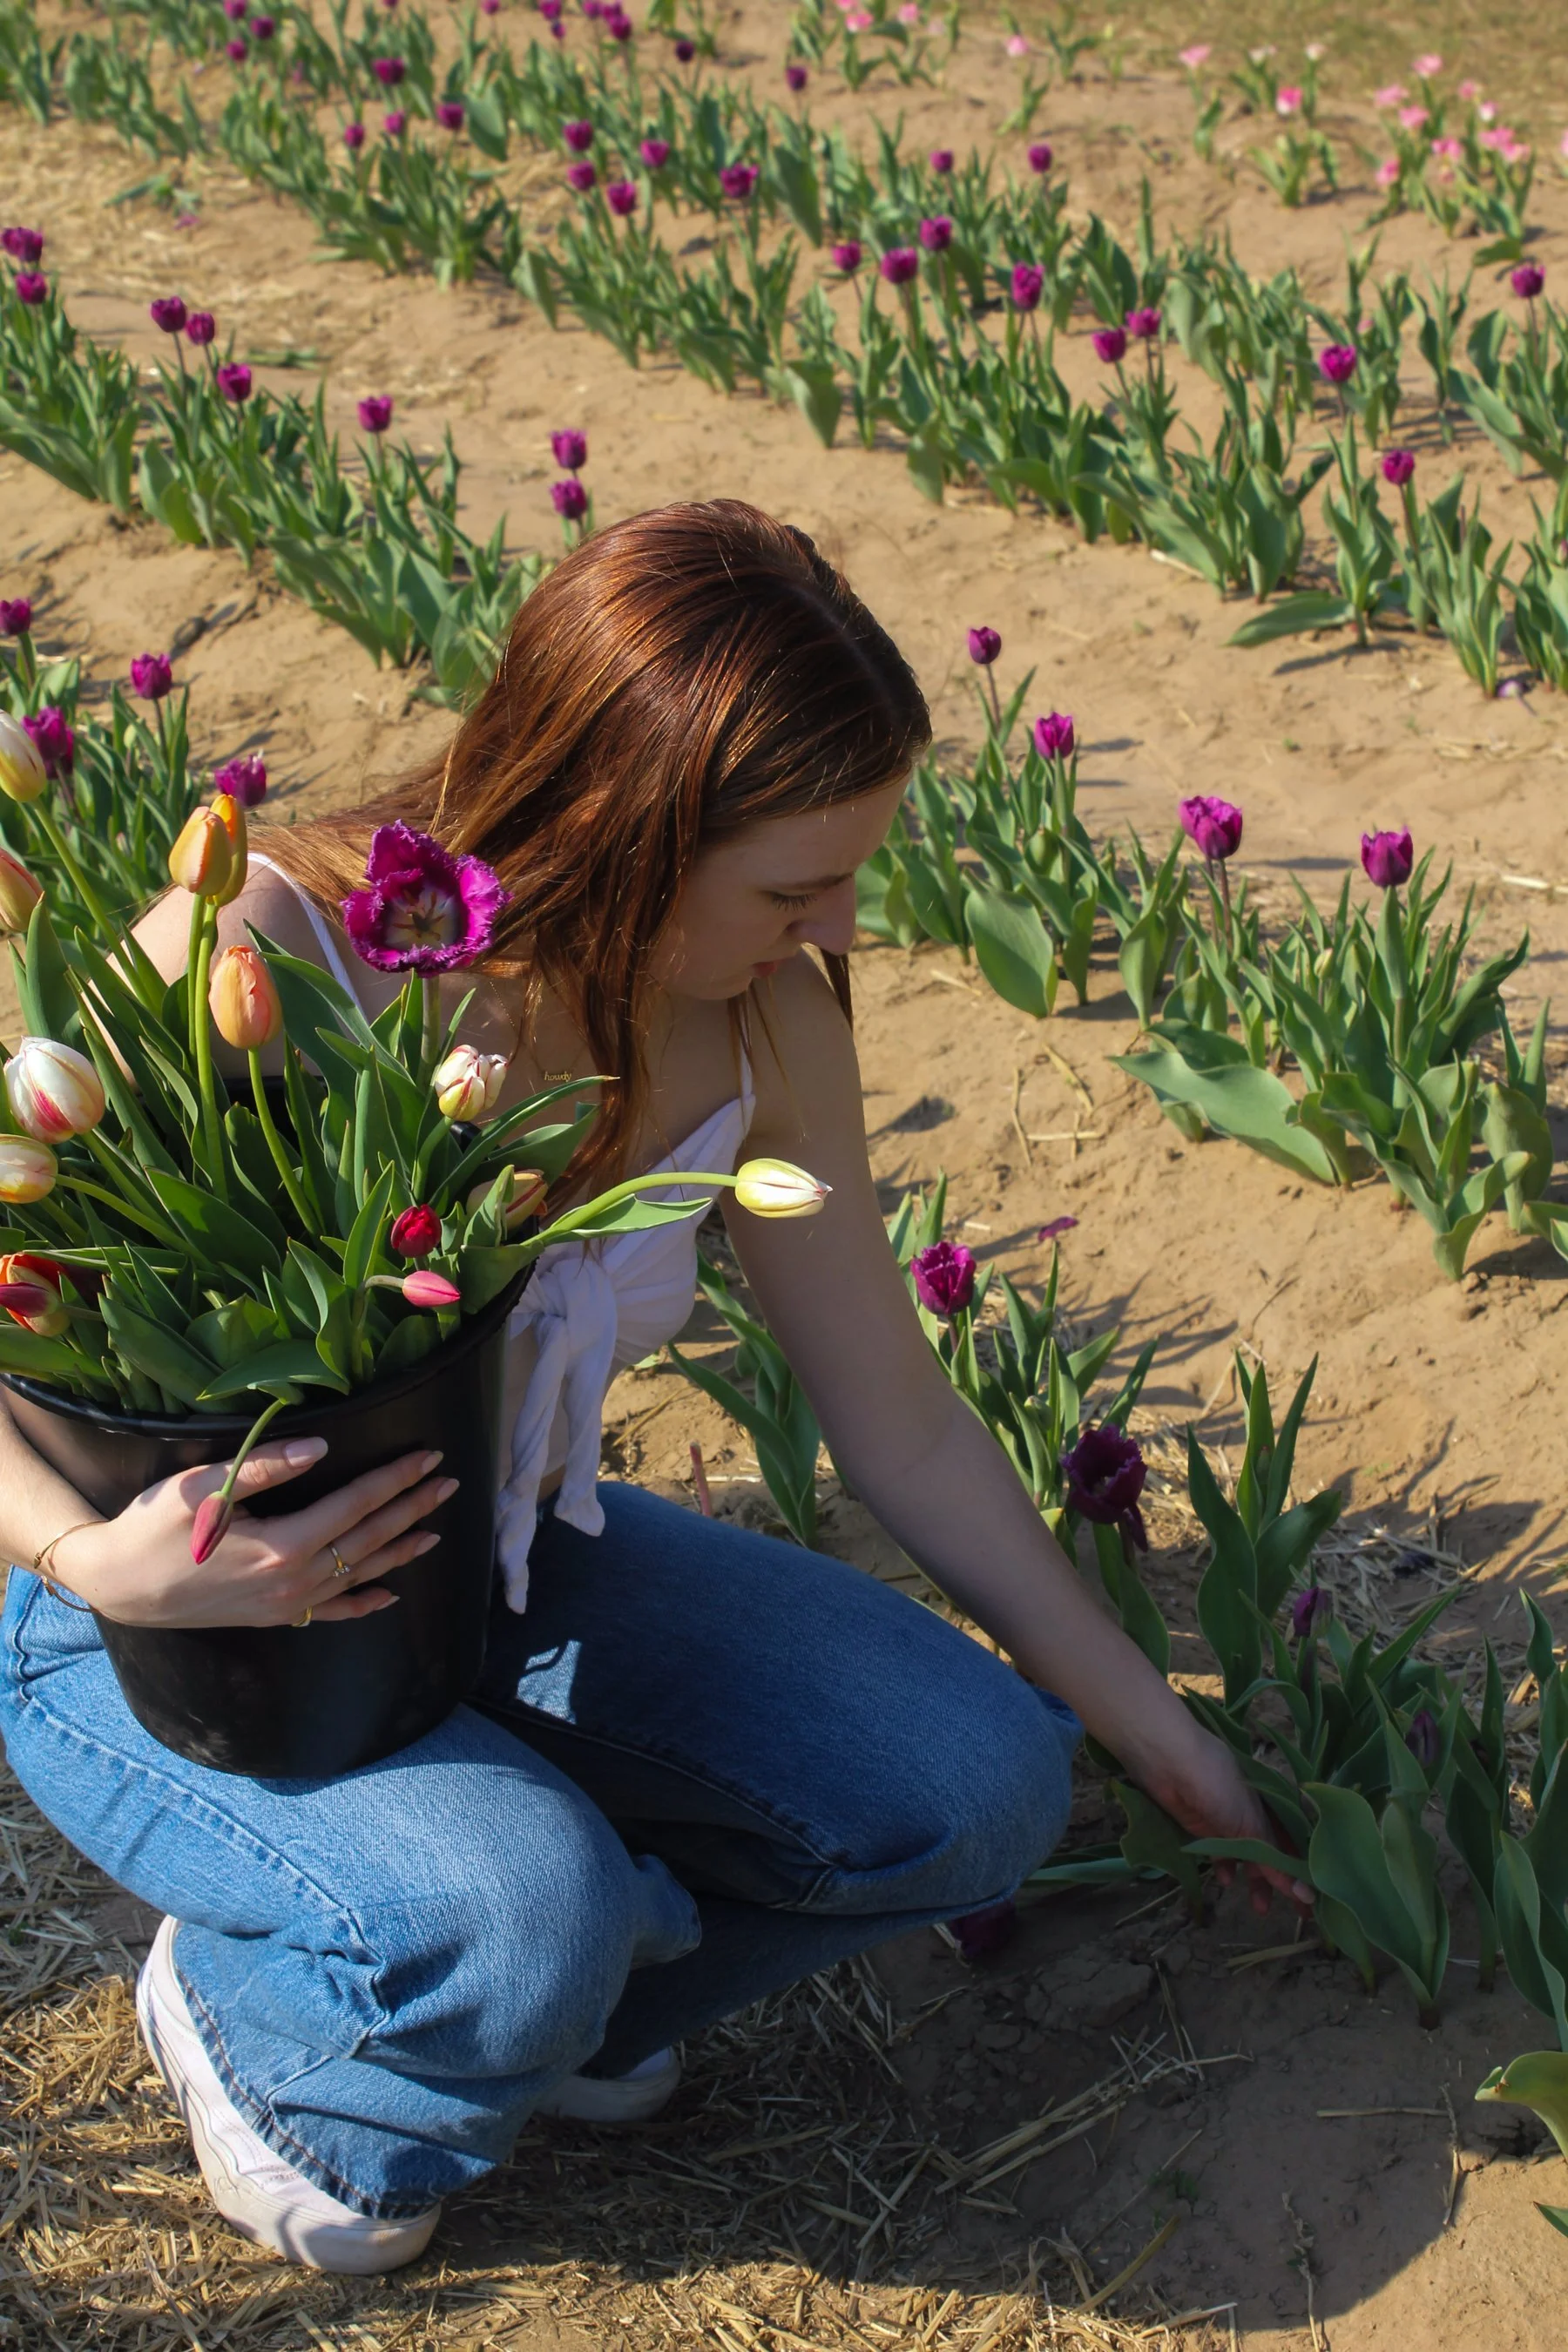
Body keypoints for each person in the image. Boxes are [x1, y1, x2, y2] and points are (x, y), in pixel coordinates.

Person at [0, 502, 1291, 2277]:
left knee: (984, 1788)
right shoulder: (284, 958)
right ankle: (268, 2013)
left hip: (485, 1572)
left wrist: (1160, 1734)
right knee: (428, 2089)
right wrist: (89, 1565)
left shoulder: (764, 1028)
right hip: (172, 1635)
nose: (839, 920)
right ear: (618, 826)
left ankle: (556, 1972)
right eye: (791, 884)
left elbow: (899, 1422)